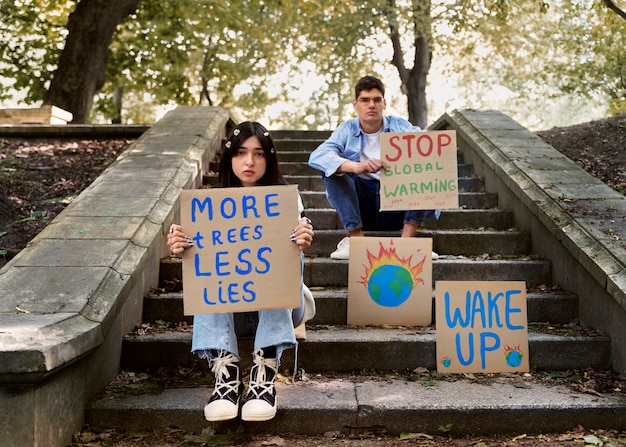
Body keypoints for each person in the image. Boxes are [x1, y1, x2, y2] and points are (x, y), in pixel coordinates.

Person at [167, 121, 314, 423]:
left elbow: (293, 250)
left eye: (259, 154)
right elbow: (197, 260)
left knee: (287, 256)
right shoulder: (206, 207)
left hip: (280, 308)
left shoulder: (288, 199)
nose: (249, 162)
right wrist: (182, 244)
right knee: (206, 262)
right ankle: (226, 378)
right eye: (242, 153)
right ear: (230, 158)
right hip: (229, 312)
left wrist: (301, 238)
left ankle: (264, 377)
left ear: (269, 159)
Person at [308, 75, 440, 260]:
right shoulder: (346, 129)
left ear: (384, 103)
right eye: (365, 100)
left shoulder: (399, 126)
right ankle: (356, 240)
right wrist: (356, 167)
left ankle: (407, 242)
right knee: (332, 170)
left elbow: (432, 149)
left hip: (397, 203)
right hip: (362, 204)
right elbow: (318, 156)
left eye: (377, 100)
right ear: (355, 104)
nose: (371, 105)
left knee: (423, 166)